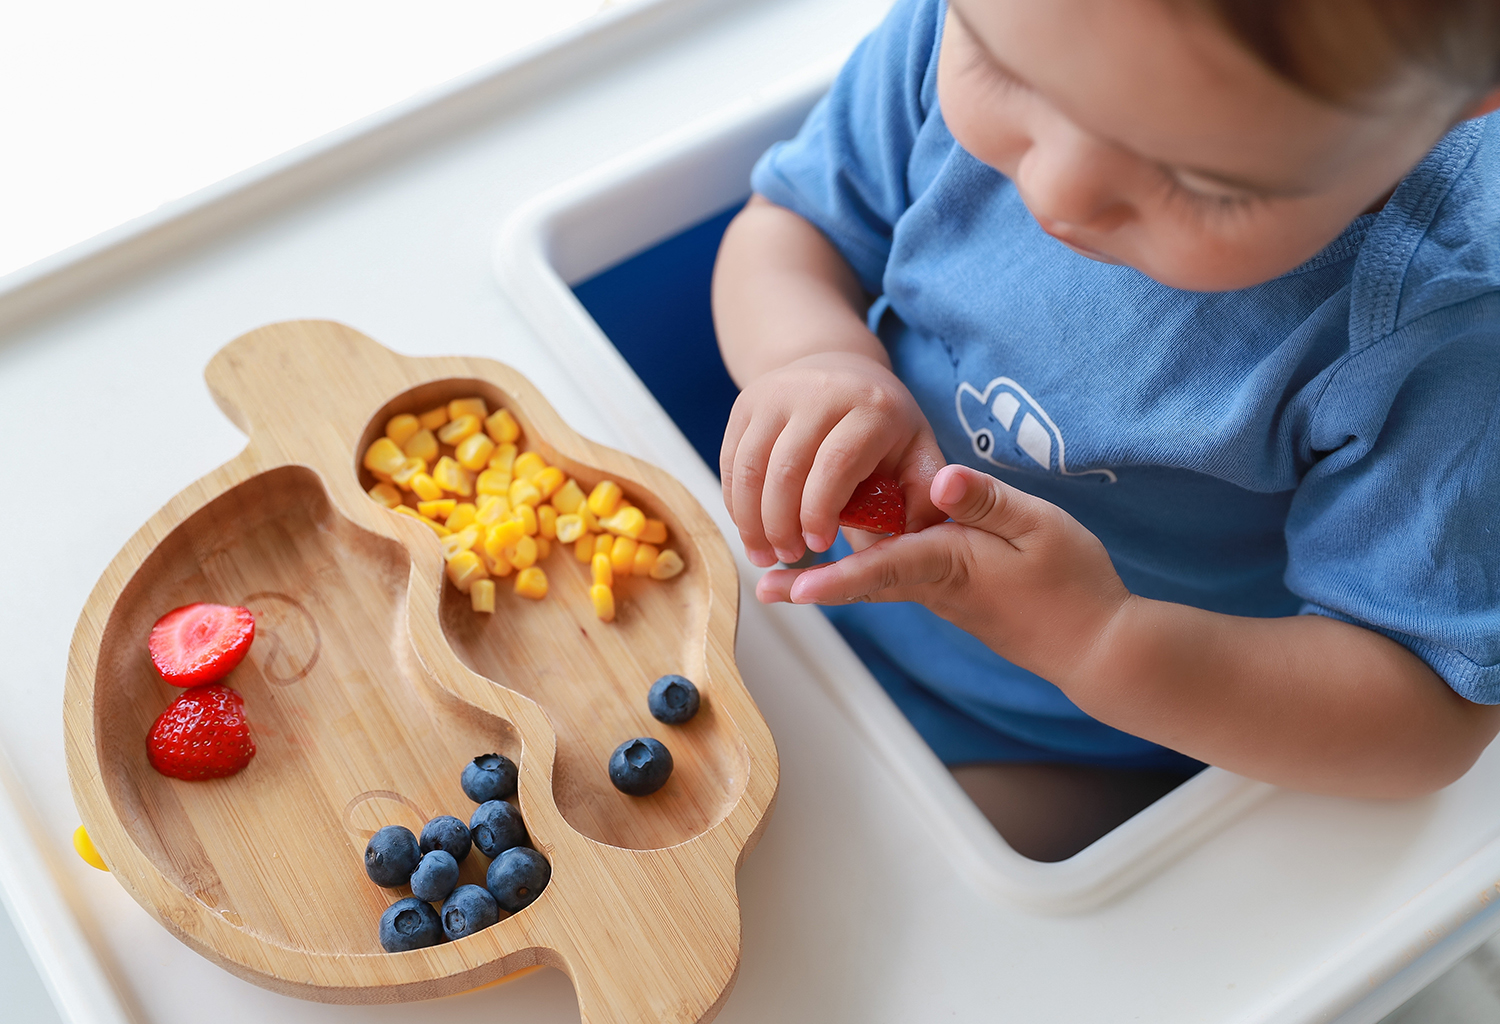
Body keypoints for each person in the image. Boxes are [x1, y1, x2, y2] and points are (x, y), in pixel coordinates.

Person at [710, 0, 1500, 855]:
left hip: (1060, 738)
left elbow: (1426, 714)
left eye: (1202, 181)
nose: (1059, 193)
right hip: (774, 591)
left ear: (1462, 102)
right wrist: (814, 356)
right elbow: (791, 228)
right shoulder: (984, 22)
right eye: (1004, 73)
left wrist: (1102, 642)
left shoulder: (1446, 328)